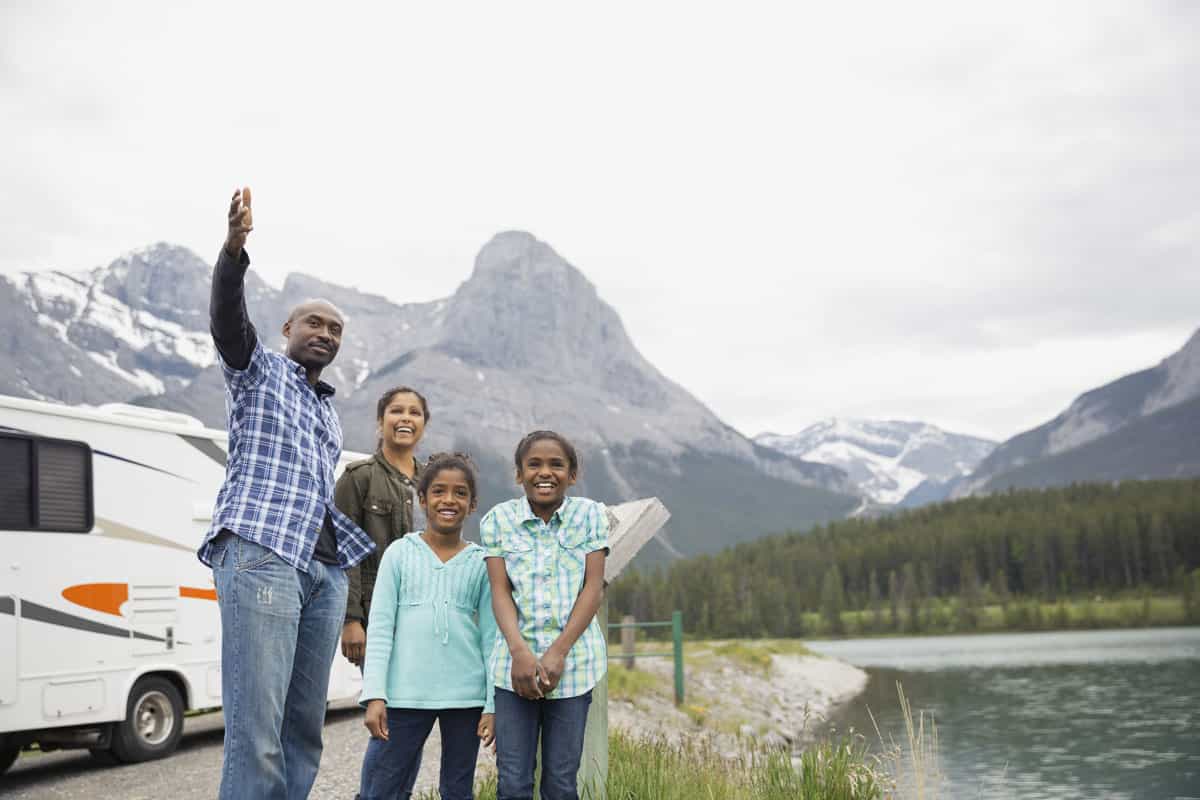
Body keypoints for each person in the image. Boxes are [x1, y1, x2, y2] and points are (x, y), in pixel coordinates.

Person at [198, 187, 375, 800]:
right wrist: (233, 252)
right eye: (314, 323)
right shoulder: (257, 370)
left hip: (320, 570)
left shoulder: (329, 412)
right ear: (288, 329)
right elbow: (227, 319)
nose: (325, 333)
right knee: (258, 728)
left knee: (305, 727)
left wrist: (338, 576)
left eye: (335, 328)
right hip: (262, 552)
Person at [358, 453, 497, 800]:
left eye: (460, 493)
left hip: (466, 697)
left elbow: (494, 639)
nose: (449, 500)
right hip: (404, 695)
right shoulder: (398, 554)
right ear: (422, 499)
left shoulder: (482, 562)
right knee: (381, 788)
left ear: (472, 504)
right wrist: (375, 694)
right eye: (438, 491)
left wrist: (492, 704)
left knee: (457, 789)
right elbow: (379, 629)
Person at [481, 431, 609, 800]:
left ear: (572, 474)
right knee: (513, 783)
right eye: (534, 464)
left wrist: (558, 652)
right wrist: (519, 652)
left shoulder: (589, 516)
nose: (545, 472)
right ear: (519, 474)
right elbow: (500, 591)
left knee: (561, 782)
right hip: (514, 668)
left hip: (574, 665)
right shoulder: (499, 521)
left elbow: (593, 588)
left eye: (557, 464)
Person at [336, 386, 431, 668]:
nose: (405, 418)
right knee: (387, 707)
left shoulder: (434, 481)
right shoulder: (358, 478)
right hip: (378, 615)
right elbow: (344, 553)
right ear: (380, 422)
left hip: (430, 612)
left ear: (423, 425)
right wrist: (351, 619)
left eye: (415, 413)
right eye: (396, 411)